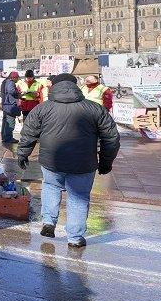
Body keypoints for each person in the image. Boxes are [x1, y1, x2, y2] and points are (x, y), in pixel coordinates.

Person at [16, 73, 120, 248]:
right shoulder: (94, 109)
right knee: (78, 197)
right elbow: (111, 138)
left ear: (54, 87)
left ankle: (48, 221)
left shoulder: (43, 108)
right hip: (83, 163)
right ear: (76, 86)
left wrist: (22, 153)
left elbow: (28, 133)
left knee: (51, 186)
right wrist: (105, 162)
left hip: (51, 161)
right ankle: (75, 238)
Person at [0, 70, 21, 144]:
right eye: (17, 78)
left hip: (6, 105)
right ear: (14, 77)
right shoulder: (11, 82)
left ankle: (4, 137)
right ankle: (8, 138)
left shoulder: (5, 82)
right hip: (10, 106)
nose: (18, 79)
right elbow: (11, 91)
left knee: (5, 122)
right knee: (10, 122)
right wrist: (18, 92)